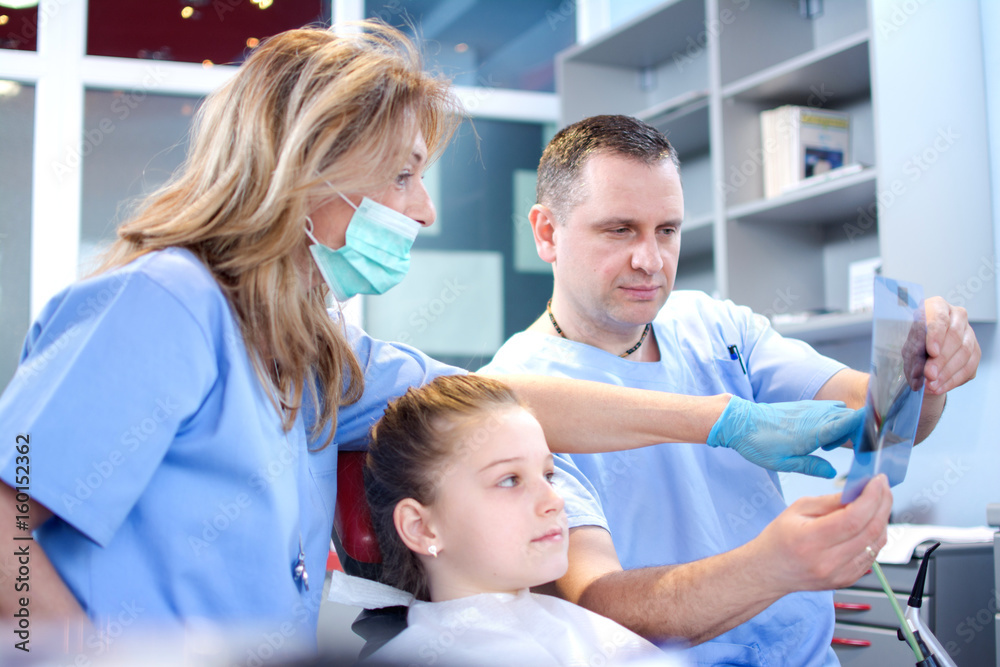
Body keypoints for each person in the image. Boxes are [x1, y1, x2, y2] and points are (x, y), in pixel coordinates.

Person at [0, 26, 865, 655]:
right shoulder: (165, 303)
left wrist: (719, 420)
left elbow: (498, 404)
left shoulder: (314, 351)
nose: (425, 208)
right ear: (306, 166)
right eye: (405, 173)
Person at [481, 115, 981, 666]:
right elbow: (598, 604)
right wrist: (771, 567)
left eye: (666, 230)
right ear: (547, 232)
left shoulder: (714, 326)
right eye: (619, 230)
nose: (650, 260)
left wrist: (926, 361)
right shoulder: (514, 396)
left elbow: (880, 417)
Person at [362, 374, 671, 666]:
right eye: (510, 480)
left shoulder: (594, 635)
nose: (555, 501)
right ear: (422, 528)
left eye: (548, 476)